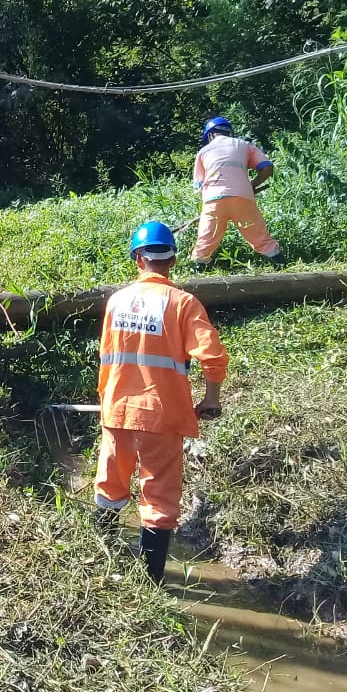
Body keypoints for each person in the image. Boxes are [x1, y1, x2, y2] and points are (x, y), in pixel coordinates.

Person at [94, 220, 228, 584]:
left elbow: (107, 358)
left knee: (110, 483)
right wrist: (210, 399)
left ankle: (95, 561)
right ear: (172, 260)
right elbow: (213, 357)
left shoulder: (116, 301)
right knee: (159, 497)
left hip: (117, 409)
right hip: (161, 416)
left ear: (138, 258)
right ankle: (149, 583)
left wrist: (107, 401)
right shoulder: (183, 303)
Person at [190, 116, 284, 270]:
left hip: (213, 200)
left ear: (210, 135)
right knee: (261, 239)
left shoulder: (203, 152)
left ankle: (195, 275)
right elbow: (267, 167)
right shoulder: (244, 145)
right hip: (242, 197)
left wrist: (211, 209)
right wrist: (252, 185)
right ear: (229, 133)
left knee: (204, 243)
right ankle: (281, 266)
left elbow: (199, 187)